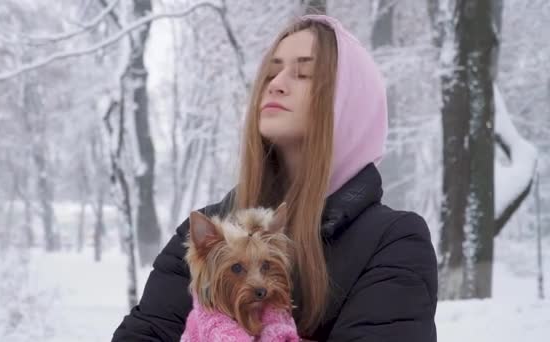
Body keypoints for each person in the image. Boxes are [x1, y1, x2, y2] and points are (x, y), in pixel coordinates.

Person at [111, 14, 438, 342]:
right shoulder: (205, 231)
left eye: (304, 73)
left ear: (351, 105)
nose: (276, 83)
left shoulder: (393, 242)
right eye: (271, 71)